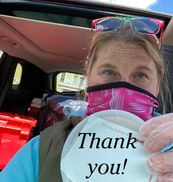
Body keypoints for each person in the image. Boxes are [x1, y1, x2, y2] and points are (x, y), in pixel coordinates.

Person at [1, 16, 173, 182]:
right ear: (88, 74)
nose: (123, 88)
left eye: (141, 75)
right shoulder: (43, 149)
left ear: (158, 82)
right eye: (109, 72)